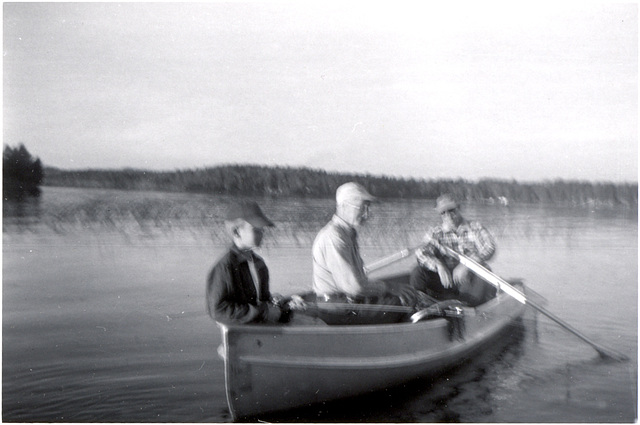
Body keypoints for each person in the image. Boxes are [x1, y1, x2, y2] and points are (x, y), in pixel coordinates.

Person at [311, 182, 420, 325]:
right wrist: (390, 287)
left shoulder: (346, 233)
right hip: (337, 309)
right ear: (343, 206)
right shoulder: (334, 237)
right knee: (405, 302)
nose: (366, 214)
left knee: (402, 297)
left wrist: (387, 289)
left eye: (368, 207)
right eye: (362, 207)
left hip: (344, 303)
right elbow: (354, 287)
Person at [206, 200, 292, 324]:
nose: (261, 234)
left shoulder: (258, 263)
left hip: (259, 328)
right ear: (236, 232)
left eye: (262, 230)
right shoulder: (225, 267)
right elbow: (218, 310)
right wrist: (262, 312)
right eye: (255, 230)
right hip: (241, 335)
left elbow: (262, 300)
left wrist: (282, 304)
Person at [410, 193, 497, 306]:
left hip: (468, 280)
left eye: (451, 210)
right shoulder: (436, 232)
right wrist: (438, 265)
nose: (448, 216)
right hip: (445, 281)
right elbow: (421, 252)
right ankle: (420, 306)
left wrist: (466, 265)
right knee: (418, 272)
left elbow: (489, 247)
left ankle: (469, 307)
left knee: (485, 271)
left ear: (459, 208)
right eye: (443, 212)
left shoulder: (475, 227)